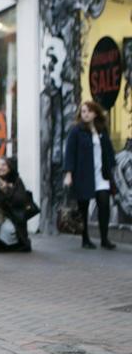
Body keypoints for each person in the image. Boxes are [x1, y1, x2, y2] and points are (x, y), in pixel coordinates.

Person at [64, 101, 117, 249]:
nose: (85, 114)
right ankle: (85, 238)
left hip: (101, 174)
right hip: (83, 174)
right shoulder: (76, 130)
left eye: (88, 111)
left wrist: (112, 168)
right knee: (83, 207)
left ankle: (104, 238)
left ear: (95, 113)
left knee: (104, 204)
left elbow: (108, 150)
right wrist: (69, 173)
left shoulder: (101, 130)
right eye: (83, 112)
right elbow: (70, 153)